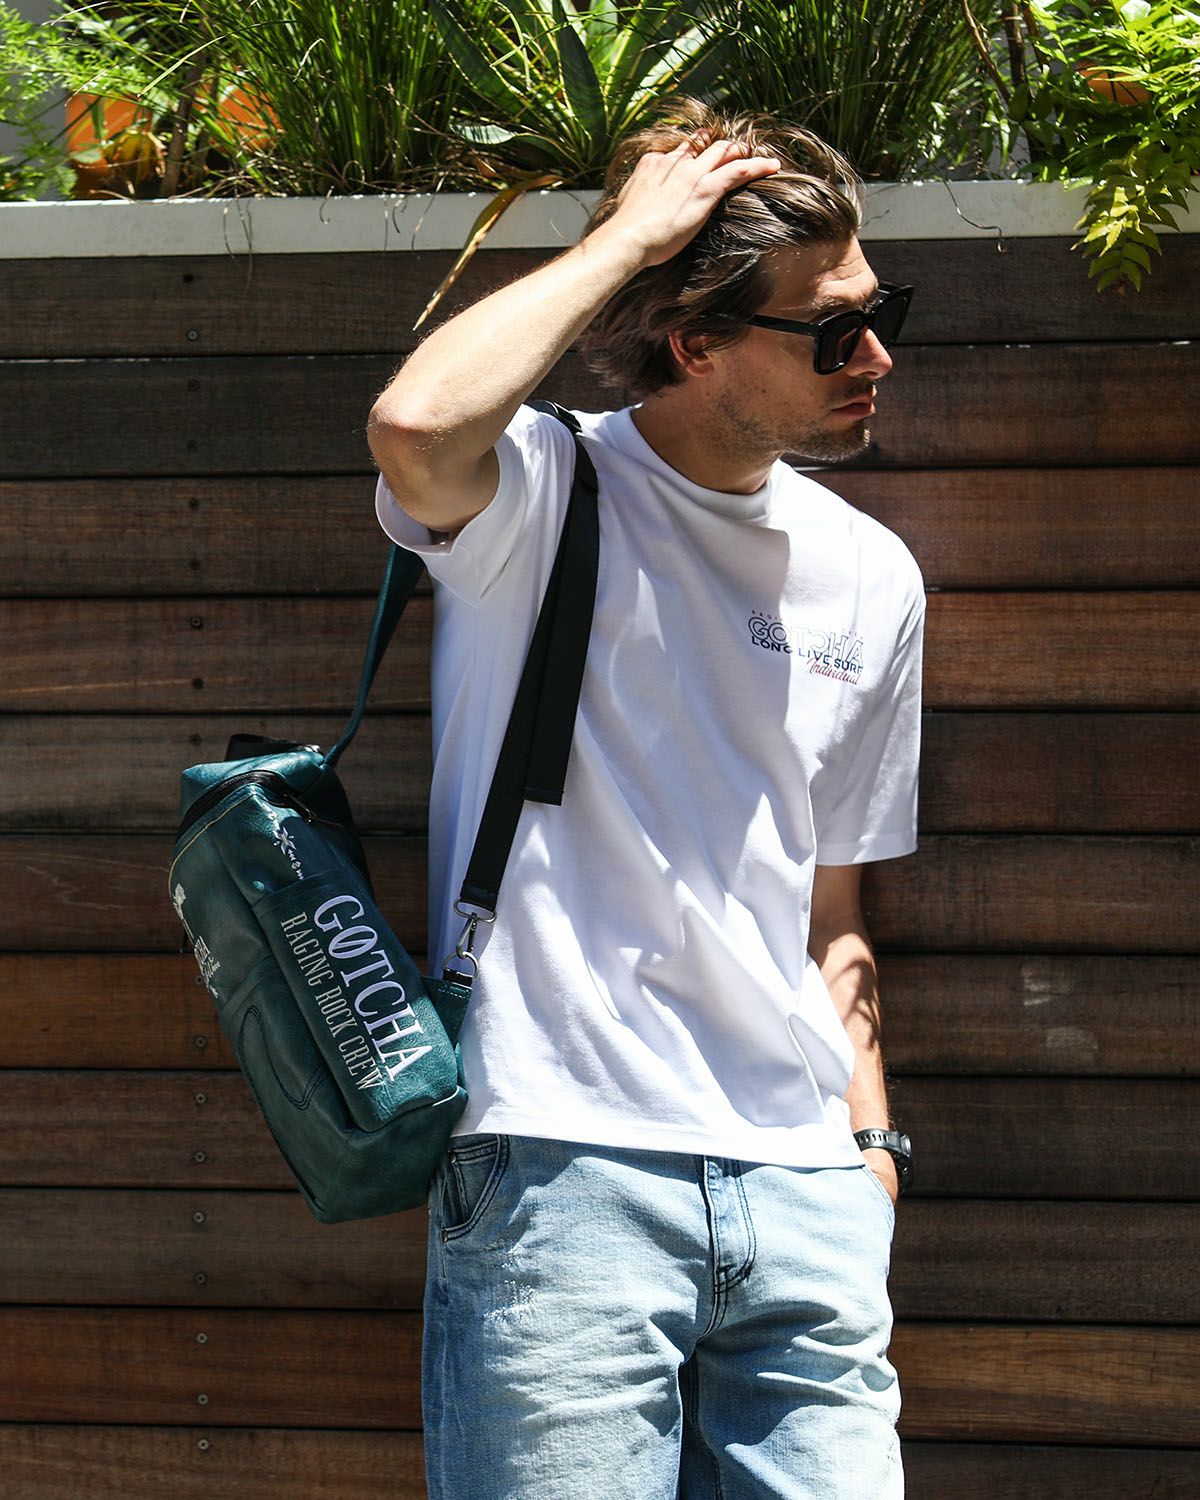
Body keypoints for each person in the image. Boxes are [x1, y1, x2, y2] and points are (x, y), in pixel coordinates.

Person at [367, 99, 923, 1500]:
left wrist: (867, 1152)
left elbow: (832, 903)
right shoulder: (545, 492)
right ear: (694, 343)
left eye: (879, 312)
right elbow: (416, 425)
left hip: (805, 1189)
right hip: (566, 1167)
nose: (877, 355)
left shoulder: (873, 574)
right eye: (833, 331)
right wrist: (624, 242)